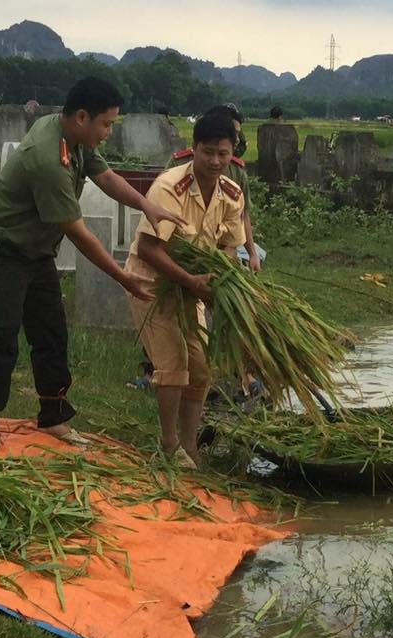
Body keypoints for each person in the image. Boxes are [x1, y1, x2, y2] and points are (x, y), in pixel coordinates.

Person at [0, 77, 185, 445]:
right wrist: (122, 276)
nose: (109, 132)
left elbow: (107, 177)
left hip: (34, 250)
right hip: (1, 247)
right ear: (82, 117)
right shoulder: (47, 158)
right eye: (107, 124)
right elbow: (78, 233)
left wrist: (147, 205)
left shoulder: (72, 136)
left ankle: (53, 416)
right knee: (3, 335)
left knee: (51, 333)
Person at [125, 112, 246, 467]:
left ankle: (189, 447)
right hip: (152, 284)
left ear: (233, 152)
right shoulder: (169, 186)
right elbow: (148, 248)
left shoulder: (231, 193)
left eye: (223, 153)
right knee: (173, 365)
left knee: (202, 369)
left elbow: (228, 247)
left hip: (192, 289)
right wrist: (192, 281)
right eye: (207, 152)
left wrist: (226, 281)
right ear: (192, 149)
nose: (215, 161)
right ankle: (168, 446)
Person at [169, 104, 260, 272]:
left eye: (238, 133)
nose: (237, 138)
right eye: (233, 131)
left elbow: (243, 214)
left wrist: (252, 253)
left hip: (220, 252)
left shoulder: (237, 171)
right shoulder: (178, 166)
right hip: (181, 251)